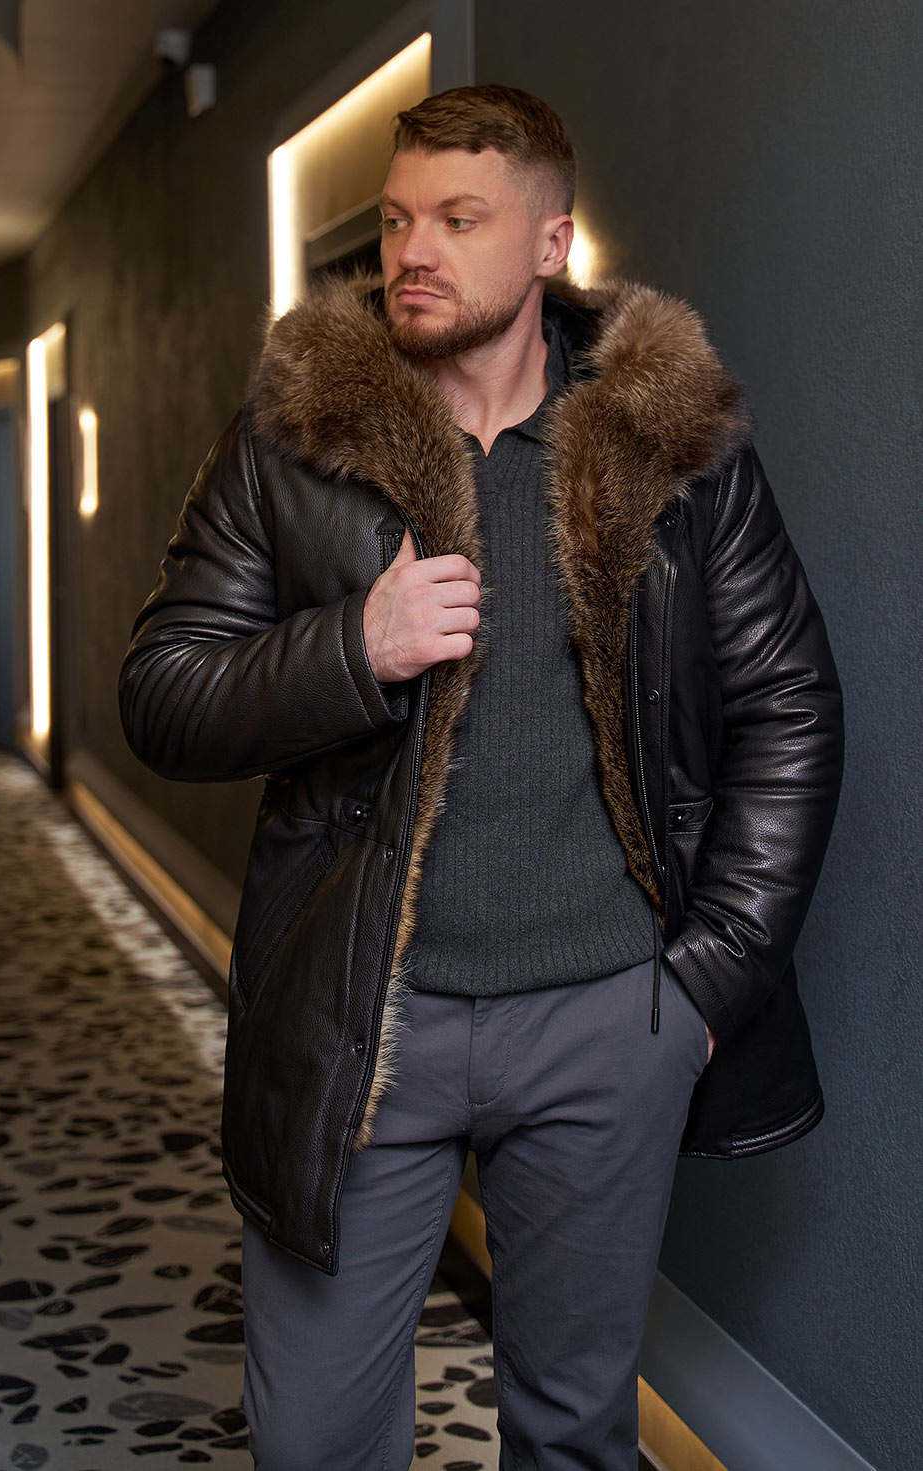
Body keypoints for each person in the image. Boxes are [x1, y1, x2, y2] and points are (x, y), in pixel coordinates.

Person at [119, 84, 843, 1471]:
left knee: (575, 1432)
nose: (412, 251)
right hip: (362, 1021)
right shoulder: (293, 438)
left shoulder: (668, 442)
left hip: (605, 1022)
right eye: (398, 220)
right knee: (316, 1442)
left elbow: (789, 704)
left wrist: (706, 985)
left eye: (459, 220)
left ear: (552, 245)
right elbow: (162, 693)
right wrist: (355, 647)